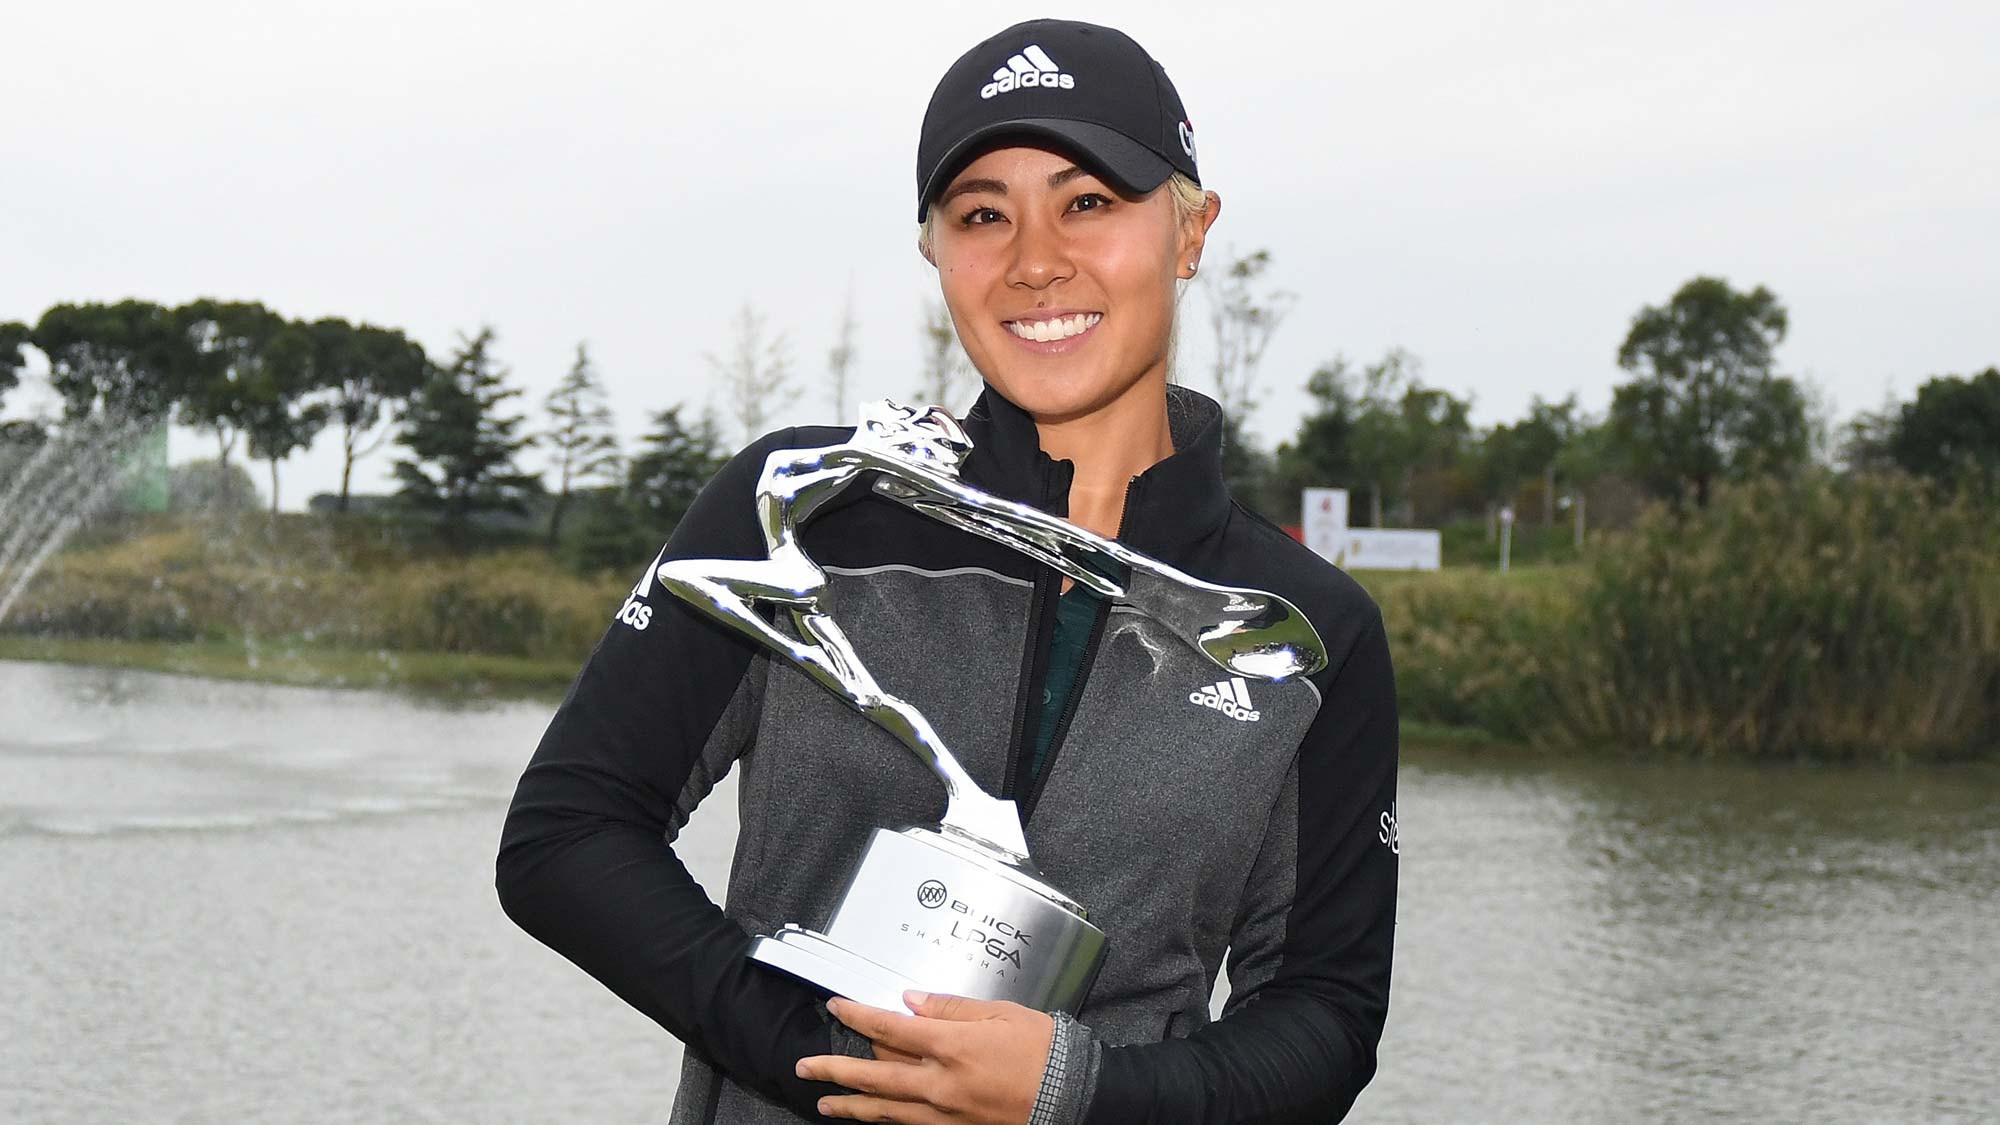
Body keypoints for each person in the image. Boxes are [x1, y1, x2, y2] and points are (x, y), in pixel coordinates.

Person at [497, 17, 1398, 1124]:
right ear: (931, 248)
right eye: (981, 214)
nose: (1032, 261)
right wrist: (834, 1064)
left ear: (1189, 229)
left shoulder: (1303, 628)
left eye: (1087, 202)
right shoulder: (802, 509)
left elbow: (1323, 1015)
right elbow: (565, 838)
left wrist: (1075, 1096)